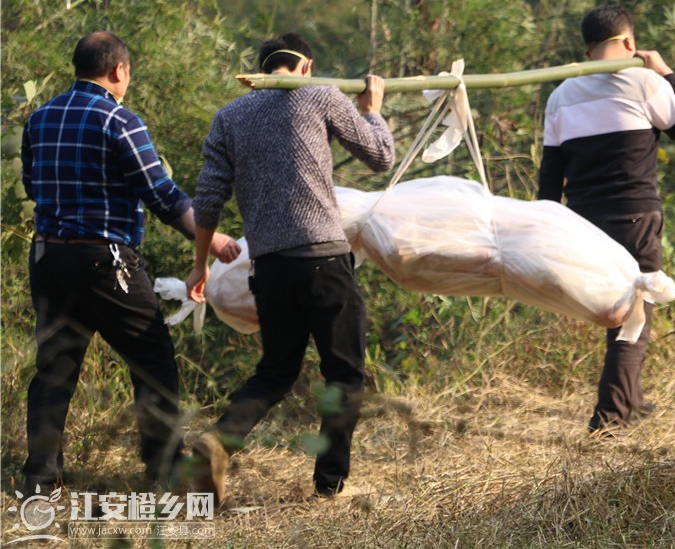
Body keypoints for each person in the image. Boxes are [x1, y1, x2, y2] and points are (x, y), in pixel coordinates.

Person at [19, 31, 242, 492]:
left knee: (55, 369)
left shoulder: (38, 119)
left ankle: (40, 476)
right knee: (152, 358)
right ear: (119, 70)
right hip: (104, 260)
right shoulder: (119, 120)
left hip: (47, 257)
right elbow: (160, 193)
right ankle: (163, 470)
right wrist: (211, 237)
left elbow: (31, 183)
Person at [185, 32, 395, 503]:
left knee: (276, 371)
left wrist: (199, 266)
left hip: (271, 269)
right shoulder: (321, 94)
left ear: (261, 71)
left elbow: (208, 200)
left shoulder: (230, 116)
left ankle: (219, 440)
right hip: (323, 260)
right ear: (307, 65)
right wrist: (371, 107)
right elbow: (381, 157)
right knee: (344, 374)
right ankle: (330, 485)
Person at [537, 4, 675, 434]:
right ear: (629, 42)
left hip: (583, 223)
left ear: (588, 49)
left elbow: (550, 177)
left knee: (623, 314)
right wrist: (666, 72)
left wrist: (547, 230)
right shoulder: (644, 81)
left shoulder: (560, 96)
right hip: (635, 217)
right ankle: (609, 419)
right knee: (634, 316)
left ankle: (632, 398)